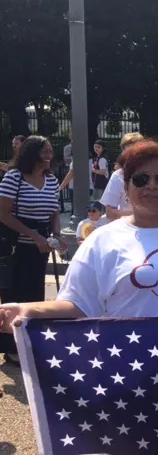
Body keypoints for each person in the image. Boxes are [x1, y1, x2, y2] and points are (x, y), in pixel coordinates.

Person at [0, 141, 158, 340]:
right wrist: (26, 310)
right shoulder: (101, 242)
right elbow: (77, 306)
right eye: (141, 179)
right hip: (133, 368)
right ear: (126, 187)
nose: (152, 185)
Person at [0, 136, 65, 366]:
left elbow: (55, 212)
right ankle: (10, 347)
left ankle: (30, 341)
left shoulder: (51, 179)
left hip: (40, 248)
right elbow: (4, 214)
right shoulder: (13, 178)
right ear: (31, 153)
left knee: (35, 294)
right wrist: (33, 235)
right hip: (17, 246)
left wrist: (56, 236)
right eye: (44, 151)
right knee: (14, 295)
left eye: (50, 151)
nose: (49, 156)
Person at [101, 132, 145, 220]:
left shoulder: (156, 173)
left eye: (136, 151)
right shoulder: (117, 176)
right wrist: (143, 214)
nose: (132, 156)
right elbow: (110, 213)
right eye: (127, 152)